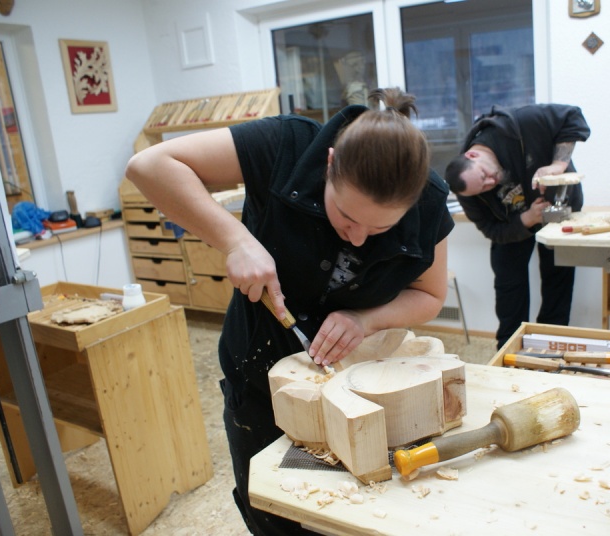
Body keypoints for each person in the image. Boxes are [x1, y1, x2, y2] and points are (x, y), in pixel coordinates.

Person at [125, 88, 453, 535]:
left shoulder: (430, 202)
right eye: (346, 216)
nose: (358, 238)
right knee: (275, 510)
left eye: (380, 228)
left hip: (362, 386)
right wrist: (236, 241)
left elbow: (430, 295)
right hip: (260, 379)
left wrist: (365, 320)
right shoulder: (286, 144)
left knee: (356, 508)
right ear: (329, 164)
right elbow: (148, 166)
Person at [444, 104, 590, 349]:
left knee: (558, 281)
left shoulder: (520, 123)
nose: (491, 183)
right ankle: (508, 349)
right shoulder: (467, 190)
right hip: (514, 224)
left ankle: (550, 345)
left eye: (485, 176)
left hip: (559, 209)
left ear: (473, 155)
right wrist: (527, 219)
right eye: (483, 188)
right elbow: (491, 230)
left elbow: (572, 116)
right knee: (509, 284)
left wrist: (558, 164)